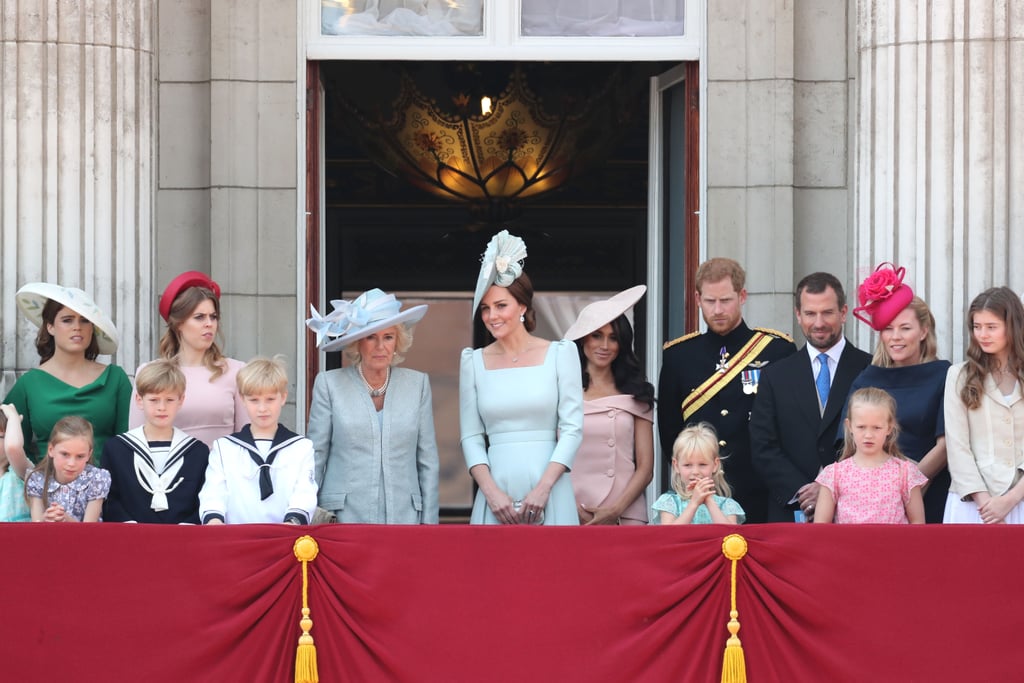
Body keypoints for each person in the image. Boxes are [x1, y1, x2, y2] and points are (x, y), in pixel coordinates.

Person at [657, 258, 796, 523]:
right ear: (697, 299)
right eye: (710, 301)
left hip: (759, 489)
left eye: (726, 300)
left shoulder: (776, 350)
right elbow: (670, 433)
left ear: (742, 296)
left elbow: (787, 426)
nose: (718, 309)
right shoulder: (678, 355)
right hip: (699, 495)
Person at [460, 229, 583, 525]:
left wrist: (544, 489)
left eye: (501, 305)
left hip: (551, 487)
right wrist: (491, 493)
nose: (492, 316)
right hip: (495, 491)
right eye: (486, 308)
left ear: (523, 307)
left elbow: (572, 428)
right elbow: (471, 437)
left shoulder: (561, 354)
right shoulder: (473, 361)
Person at [305, 289, 439, 524]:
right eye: (371, 337)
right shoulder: (329, 384)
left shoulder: (417, 384)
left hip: (405, 519)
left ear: (398, 341)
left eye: (388, 337)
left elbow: (427, 461)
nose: (380, 346)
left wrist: (429, 525)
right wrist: (309, 516)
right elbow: (316, 456)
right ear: (358, 343)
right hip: (343, 519)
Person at [750, 272, 872, 522]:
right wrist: (803, 490)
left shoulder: (870, 369)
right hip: (791, 510)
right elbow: (763, 447)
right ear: (798, 315)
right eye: (810, 314)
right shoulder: (775, 375)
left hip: (856, 509)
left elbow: (878, 442)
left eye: (827, 312)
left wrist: (829, 489)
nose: (819, 323)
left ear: (844, 312)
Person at [840, 263, 951, 522]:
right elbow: (848, 441)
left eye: (905, 328)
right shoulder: (866, 378)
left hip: (927, 492)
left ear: (923, 331)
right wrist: (882, 490)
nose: (896, 337)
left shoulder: (944, 375)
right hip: (869, 499)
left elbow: (946, 445)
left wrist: (907, 488)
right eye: (888, 328)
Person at [4, 283, 131, 462]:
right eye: (67, 320)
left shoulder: (115, 379)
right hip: (45, 486)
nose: (77, 327)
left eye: (85, 320)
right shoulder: (29, 383)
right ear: (50, 327)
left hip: (107, 485)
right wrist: (35, 476)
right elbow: (9, 441)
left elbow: (129, 444)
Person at [563, 285, 654, 525]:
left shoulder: (637, 392)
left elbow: (646, 468)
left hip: (625, 513)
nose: (604, 345)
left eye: (613, 338)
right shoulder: (561, 391)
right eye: (597, 335)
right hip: (570, 511)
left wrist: (615, 510)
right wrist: (568, 506)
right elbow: (548, 458)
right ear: (583, 338)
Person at [129, 271, 246, 447]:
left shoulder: (236, 371)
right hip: (168, 471)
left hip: (223, 471)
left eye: (213, 317)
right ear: (179, 324)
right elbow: (136, 439)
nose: (209, 323)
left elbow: (246, 436)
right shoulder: (149, 372)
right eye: (199, 317)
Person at [199, 356, 317, 525]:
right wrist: (214, 522)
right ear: (242, 399)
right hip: (236, 539)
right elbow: (213, 493)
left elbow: (304, 494)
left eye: (270, 399)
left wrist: (291, 525)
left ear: (283, 397)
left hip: (284, 538)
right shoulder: (224, 448)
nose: (262, 408)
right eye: (254, 400)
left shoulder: (301, 448)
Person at [944, 287, 1024, 524]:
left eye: (991, 327)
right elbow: (957, 446)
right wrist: (986, 505)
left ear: (1012, 326)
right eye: (977, 327)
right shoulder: (958, 376)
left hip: (1019, 498)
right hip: (972, 504)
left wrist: (1009, 500)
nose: (983, 334)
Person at [102, 360, 210, 523]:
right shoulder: (116, 449)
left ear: (181, 400)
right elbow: (110, 499)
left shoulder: (197, 452)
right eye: (154, 400)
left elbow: (203, 498)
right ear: (139, 400)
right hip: (130, 540)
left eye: (169, 400)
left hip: (183, 541)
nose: (161, 407)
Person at [815, 387, 926, 524]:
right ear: (849, 426)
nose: (868, 435)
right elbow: (821, 528)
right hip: (847, 546)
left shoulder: (905, 473)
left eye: (876, 427)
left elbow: (918, 526)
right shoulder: (834, 475)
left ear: (889, 428)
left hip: (893, 545)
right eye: (861, 427)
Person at [652, 422, 744, 524]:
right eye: (687, 465)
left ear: (715, 465)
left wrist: (709, 501)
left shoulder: (726, 505)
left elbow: (731, 535)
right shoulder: (669, 503)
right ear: (676, 466)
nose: (695, 472)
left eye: (702, 464)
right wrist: (694, 503)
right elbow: (669, 535)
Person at [25, 416, 111, 522]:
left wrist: (66, 519)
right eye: (65, 454)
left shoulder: (96, 479)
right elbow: (35, 529)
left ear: (89, 454)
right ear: (51, 450)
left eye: (80, 456)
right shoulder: (37, 479)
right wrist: (46, 518)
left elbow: (89, 531)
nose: (71, 463)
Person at [0, 405, 32, 521]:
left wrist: (13, 417)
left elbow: (13, 447)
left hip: (18, 537)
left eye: (0, 436)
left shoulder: (19, 472)